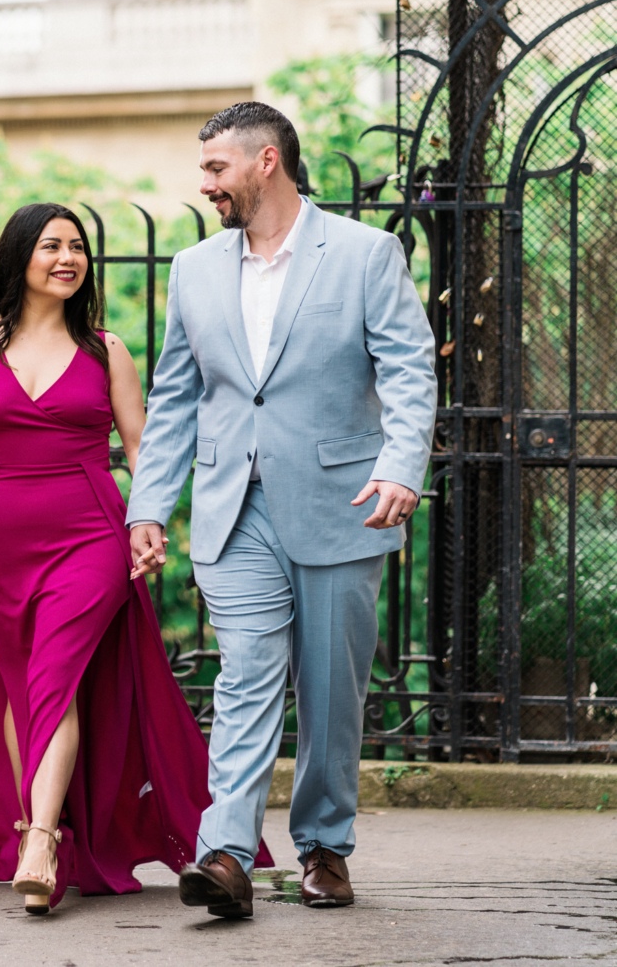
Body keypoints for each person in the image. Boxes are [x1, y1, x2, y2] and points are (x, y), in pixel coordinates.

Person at [0, 202, 271, 914]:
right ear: (18, 258)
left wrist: (148, 521)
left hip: (89, 535)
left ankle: (40, 839)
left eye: (76, 248)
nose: (67, 258)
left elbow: (142, 448)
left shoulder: (107, 350)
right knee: (21, 688)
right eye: (50, 246)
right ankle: (42, 828)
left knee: (54, 678)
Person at [128, 102, 435, 917]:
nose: (205, 185)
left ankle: (325, 847)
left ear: (267, 161)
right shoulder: (192, 268)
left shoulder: (366, 255)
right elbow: (174, 395)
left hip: (344, 503)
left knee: (331, 691)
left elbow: (408, 371)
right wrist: (147, 504)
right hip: (234, 509)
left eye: (216, 168)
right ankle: (224, 854)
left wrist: (401, 465)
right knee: (245, 681)